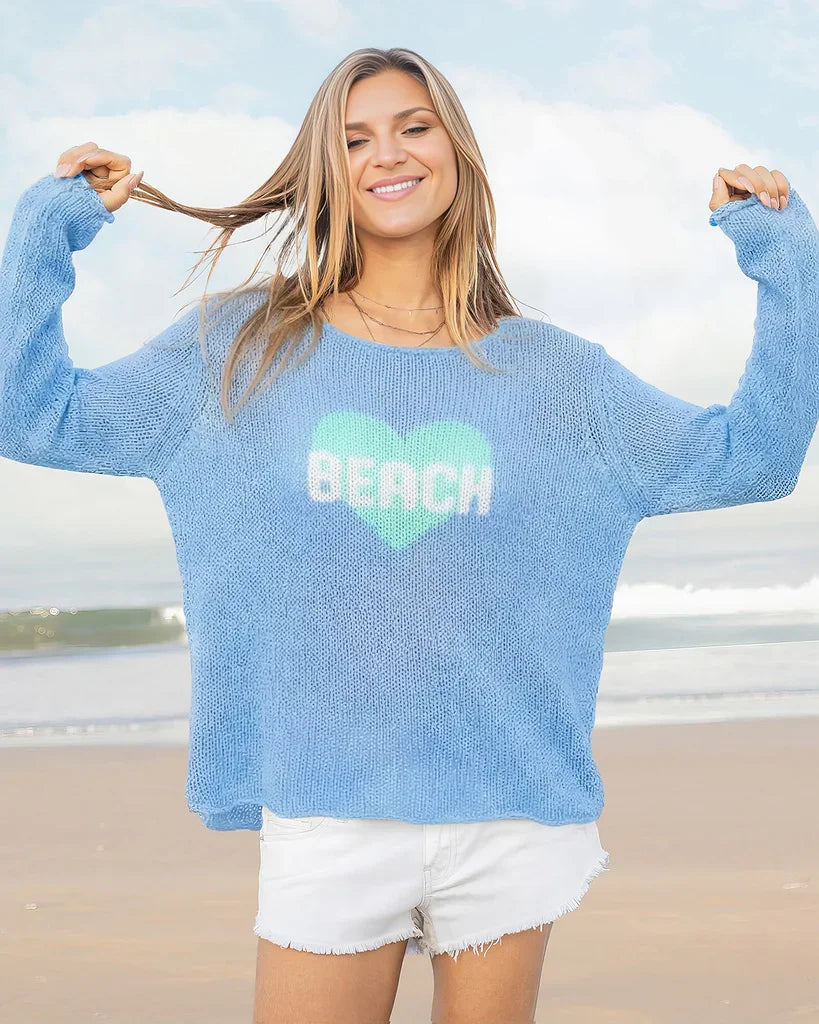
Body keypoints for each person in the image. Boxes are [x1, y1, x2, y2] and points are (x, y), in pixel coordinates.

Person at [1, 46, 816, 1024]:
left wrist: (784, 258)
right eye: (353, 138)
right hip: (328, 813)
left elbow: (755, 456)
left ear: (457, 152)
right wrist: (51, 227)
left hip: (509, 813)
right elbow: (31, 413)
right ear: (325, 172)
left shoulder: (561, 380)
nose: (387, 153)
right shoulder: (235, 351)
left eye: (413, 126)